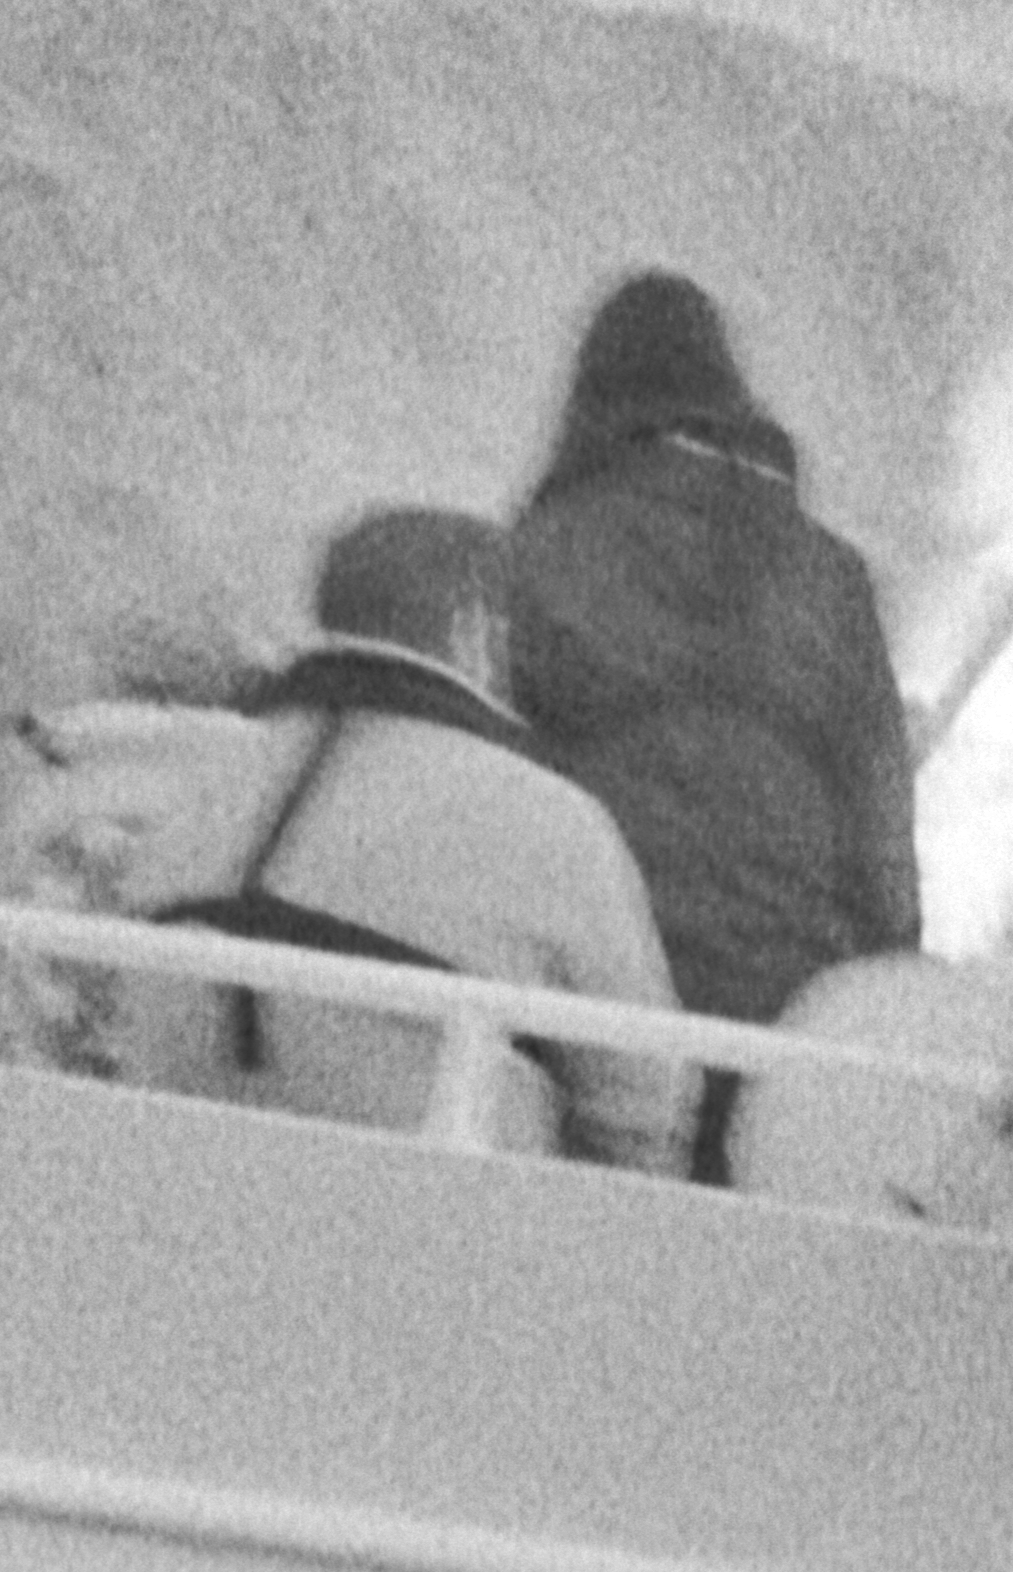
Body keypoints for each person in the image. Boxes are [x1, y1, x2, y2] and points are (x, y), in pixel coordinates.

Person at [114, 501, 689, 1168]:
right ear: (473, 629)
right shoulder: (548, 816)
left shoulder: (198, 777)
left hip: (188, 1189)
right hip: (437, 1231)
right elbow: (646, 1109)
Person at [505, 271, 919, 1167]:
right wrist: (886, 987)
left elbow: (503, 800)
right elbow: (881, 840)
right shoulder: (832, 579)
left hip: (604, 1020)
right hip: (789, 1020)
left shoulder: (538, 556)